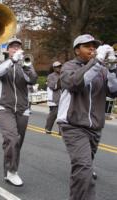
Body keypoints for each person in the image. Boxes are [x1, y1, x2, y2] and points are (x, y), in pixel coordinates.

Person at [57, 34, 117, 200]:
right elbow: (75, 83)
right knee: (84, 168)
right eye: (87, 46)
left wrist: (112, 68)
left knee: (83, 171)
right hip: (73, 125)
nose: (92, 48)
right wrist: (96, 63)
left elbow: (113, 91)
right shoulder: (69, 66)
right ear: (77, 50)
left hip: (95, 127)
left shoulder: (102, 69)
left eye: (94, 46)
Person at [0, 38, 37, 187]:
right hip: (4, 107)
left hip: (23, 109)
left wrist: (25, 66)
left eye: (18, 47)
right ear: (8, 50)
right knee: (12, 138)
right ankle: (12, 171)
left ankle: (8, 170)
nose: (16, 49)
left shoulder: (25, 64)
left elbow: (33, 80)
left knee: (16, 143)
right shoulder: (1, 63)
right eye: (13, 47)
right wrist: (12, 61)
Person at [45, 61, 62, 134]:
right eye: (57, 67)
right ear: (54, 68)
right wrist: (60, 81)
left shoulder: (63, 74)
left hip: (63, 98)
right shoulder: (50, 76)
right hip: (54, 99)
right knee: (53, 114)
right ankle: (48, 128)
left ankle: (61, 131)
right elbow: (53, 87)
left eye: (60, 66)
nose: (59, 68)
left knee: (62, 115)